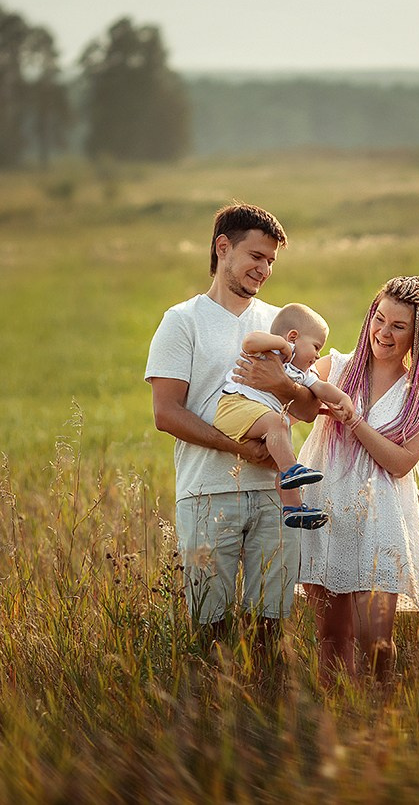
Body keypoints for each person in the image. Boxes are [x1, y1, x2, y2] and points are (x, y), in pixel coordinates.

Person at [145, 202, 319, 655]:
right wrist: (239, 448)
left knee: (271, 625)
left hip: (274, 493)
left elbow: (307, 407)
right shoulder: (181, 321)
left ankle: (267, 711)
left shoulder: (282, 325)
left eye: (271, 262)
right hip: (207, 492)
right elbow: (166, 412)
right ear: (223, 248)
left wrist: (283, 383)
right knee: (209, 626)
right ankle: (211, 715)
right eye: (256, 257)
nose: (264, 270)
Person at [297, 276, 419, 685]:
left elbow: (401, 463)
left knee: (374, 641)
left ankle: (379, 719)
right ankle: (337, 725)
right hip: (325, 508)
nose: (384, 332)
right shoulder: (337, 367)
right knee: (331, 638)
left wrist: (353, 419)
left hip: (382, 523)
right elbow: (292, 405)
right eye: (379, 318)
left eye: (399, 326)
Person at [214, 302, 355, 530]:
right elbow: (249, 342)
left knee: (282, 454)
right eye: (316, 346)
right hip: (234, 406)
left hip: (260, 420)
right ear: (293, 337)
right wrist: (282, 344)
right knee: (279, 424)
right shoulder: (272, 352)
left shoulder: (302, 373)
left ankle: (294, 508)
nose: (318, 355)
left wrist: (343, 399)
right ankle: (291, 471)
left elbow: (321, 388)